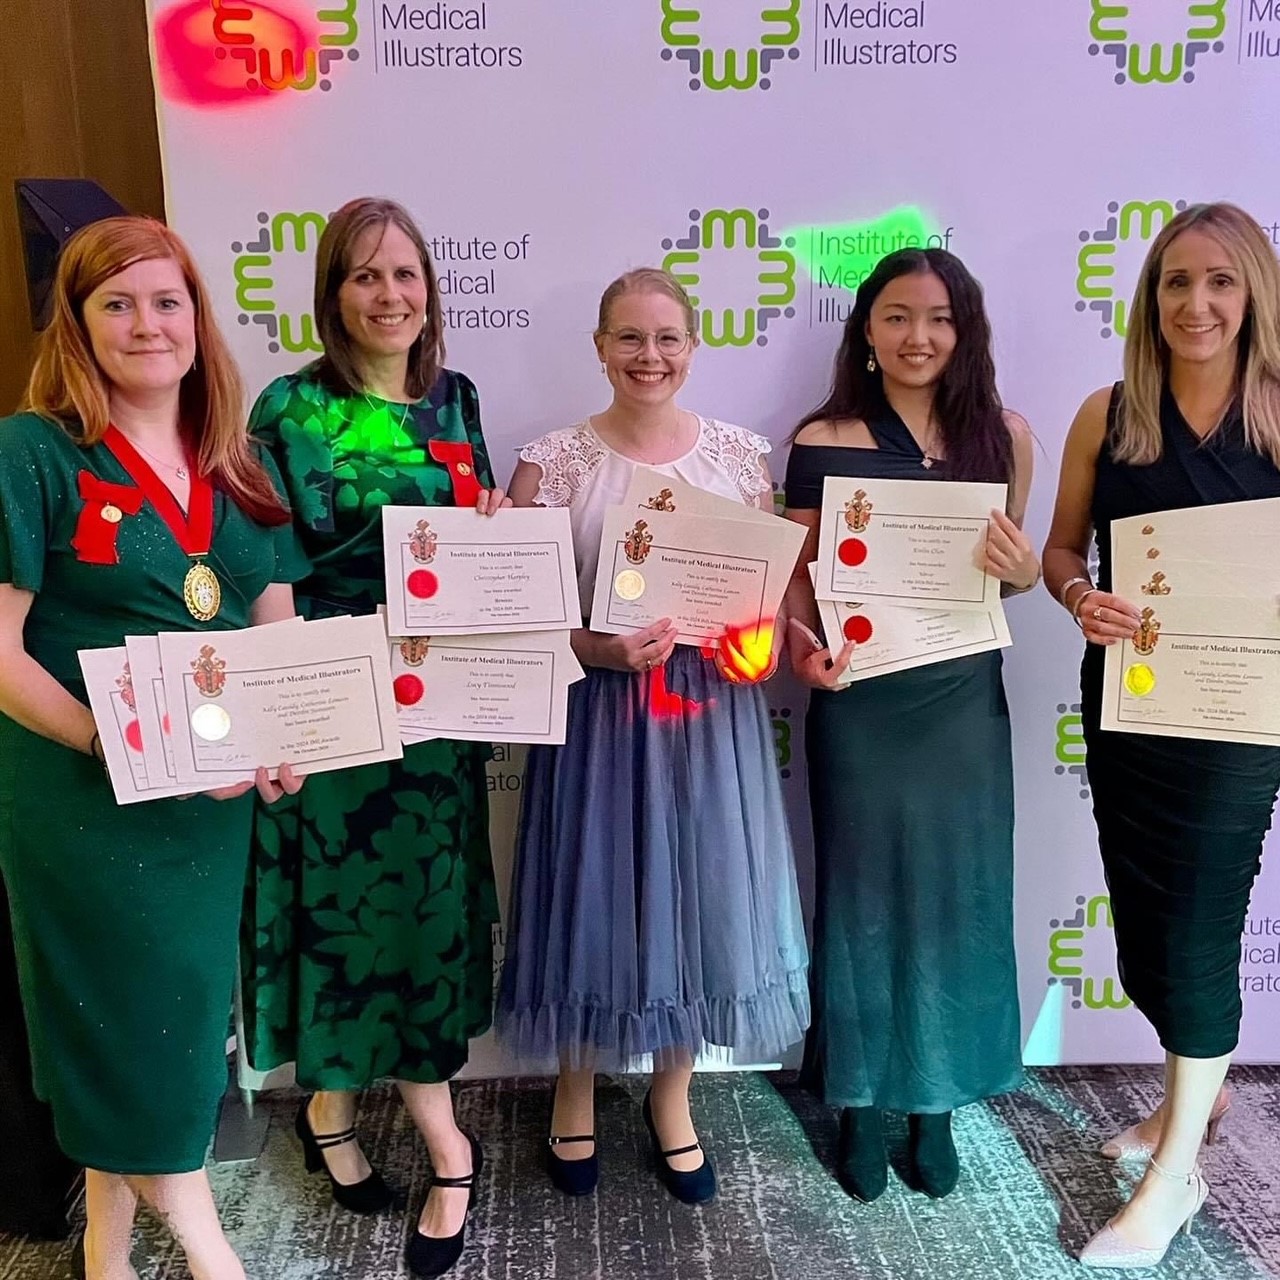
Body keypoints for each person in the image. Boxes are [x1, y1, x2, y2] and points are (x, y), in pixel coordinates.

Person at [0, 216, 306, 1280]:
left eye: (166, 300)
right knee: (125, 1015)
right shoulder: (32, 449)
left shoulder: (236, 455)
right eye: (116, 303)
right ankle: (205, 1239)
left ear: (197, 316)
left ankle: (104, 1243)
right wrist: (113, 741)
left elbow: (271, 606)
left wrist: (285, 731)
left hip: (205, 801)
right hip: (81, 796)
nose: (146, 323)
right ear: (78, 325)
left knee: (167, 1012)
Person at [494, 267, 810, 1206]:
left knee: (700, 897)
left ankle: (674, 1096)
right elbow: (519, 616)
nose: (650, 357)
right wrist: (596, 645)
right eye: (629, 338)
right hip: (598, 712)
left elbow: (765, 604)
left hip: (710, 720)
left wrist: (757, 646)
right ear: (598, 347)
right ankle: (578, 1083)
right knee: (593, 889)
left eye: (667, 338)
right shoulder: (547, 464)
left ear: (693, 346)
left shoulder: (742, 458)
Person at [241, 197, 503, 1280]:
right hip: (336, 709)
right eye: (363, 277)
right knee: (346, 928)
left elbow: (478, 532)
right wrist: (285, 706)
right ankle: (449, 1145)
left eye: (405, 274)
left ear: (430, 286)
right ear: (330, 293)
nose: (389, 295)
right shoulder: (287, 408)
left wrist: (490, 532)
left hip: (440, 714)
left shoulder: (458, 397)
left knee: (425, 921)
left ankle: (337, 1109)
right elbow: (268, 570)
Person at [1043, 202, 1280, 1268]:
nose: (1196, 303)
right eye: (1175, 281)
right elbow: (1057, 553)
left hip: (1238, 721)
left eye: (1219, 281)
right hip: (1129, 705)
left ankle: (1174, 1170)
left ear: (1252, 295)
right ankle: (1202, 1101)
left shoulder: (1278, 413)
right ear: (1149, 296)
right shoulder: (1108, 412)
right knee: (1144, 923)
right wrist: (1078, 597)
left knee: (1195, 926)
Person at [783, 248, 1038, 1203]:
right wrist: (803, 648)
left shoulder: (1008, 438)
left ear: (964, 329)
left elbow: (1015, 581)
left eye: (937, 318)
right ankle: (858, 1103)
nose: (917, 337)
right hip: (860, 699)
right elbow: (801, 578)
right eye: (896, 316)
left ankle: (933, 1106)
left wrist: (1017, 567)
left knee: (960, 897)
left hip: (963, 700)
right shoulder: (823, 437)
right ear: (866, 330)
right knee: (862, 899)